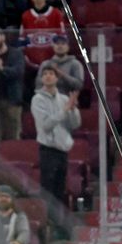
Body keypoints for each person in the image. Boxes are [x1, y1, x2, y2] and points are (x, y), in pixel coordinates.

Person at [31, 64, 81, 204]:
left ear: (56, 78)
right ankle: (47, 221)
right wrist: (64, 111)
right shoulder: (37, 99)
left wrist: (73, 109)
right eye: (45, 74)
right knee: (48, 189)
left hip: (62, 150)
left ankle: (58, 223)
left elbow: (75, 124)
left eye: (51, 74)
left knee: (60, 190)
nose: (48, 76)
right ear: (41, 78)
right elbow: (45, 125)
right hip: (48, 150)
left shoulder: (64, 99)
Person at [20, 0, 64, 71]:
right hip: (31, 62)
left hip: (53, 63)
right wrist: (27, 59)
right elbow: (22, 39)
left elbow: (62, 37)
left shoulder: (56, 14)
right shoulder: (26, 15)